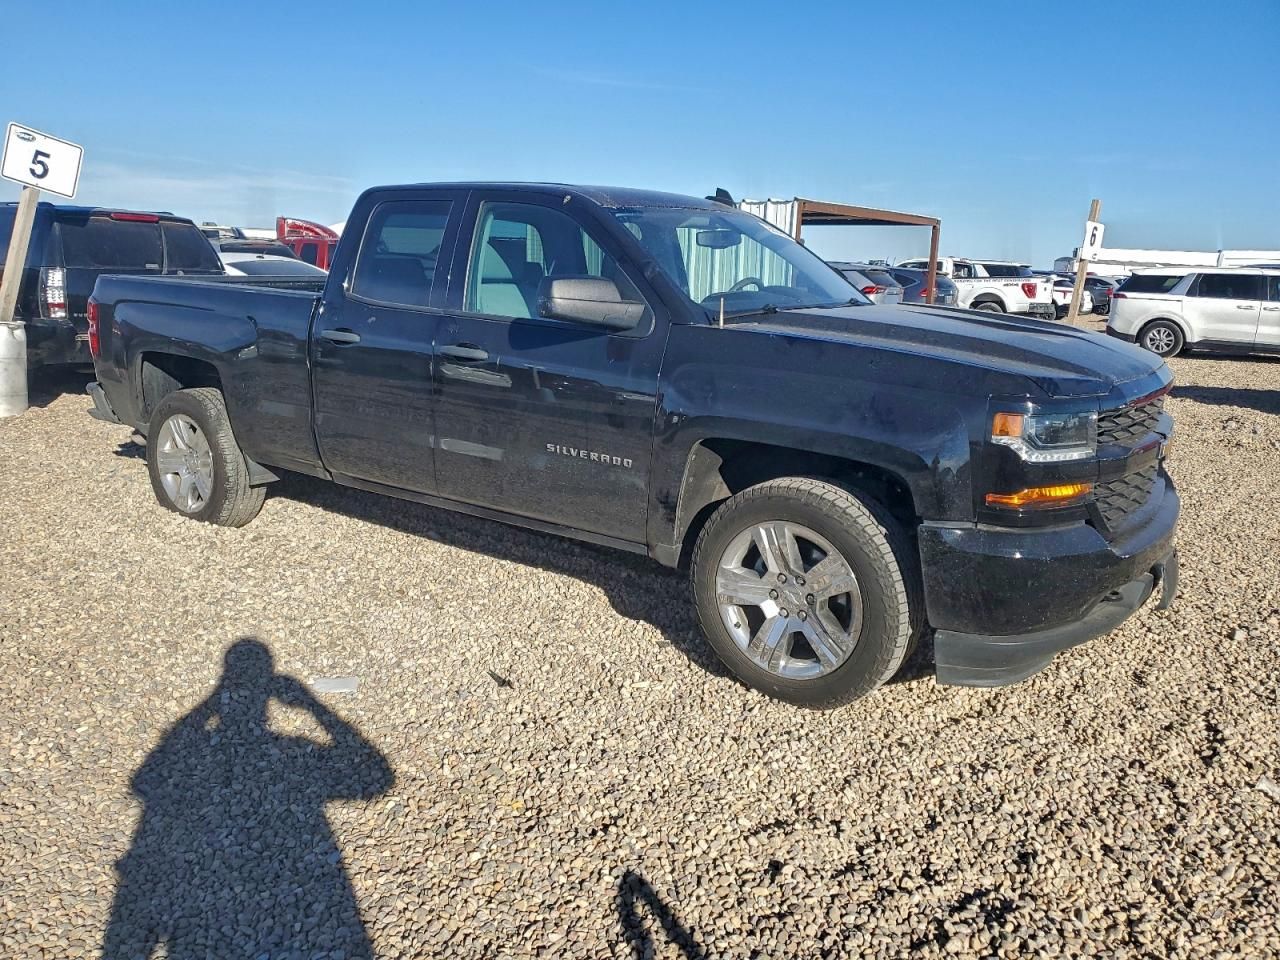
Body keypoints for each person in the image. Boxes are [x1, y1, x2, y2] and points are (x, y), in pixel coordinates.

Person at [103, 638, 394, 959]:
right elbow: (377, 777)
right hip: (306, 897)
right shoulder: (294, 751)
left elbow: (155, 767)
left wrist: (214, 699)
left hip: (202, 909)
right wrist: (312, 705)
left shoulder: (204, 751)